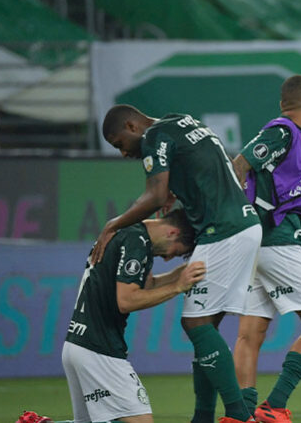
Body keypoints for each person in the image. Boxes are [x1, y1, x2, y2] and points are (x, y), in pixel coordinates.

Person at [97, 104, 263, 423]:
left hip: (223, 229)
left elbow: (155, 196)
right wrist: (180, 186)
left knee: (195, 323)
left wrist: (113, 225)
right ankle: (203, 417)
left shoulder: (154, 136)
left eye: (119, 144)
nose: (122, 153)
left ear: (132, 126)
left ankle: (240, 416)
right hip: (241, 224)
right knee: (204, 325)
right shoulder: (181, 121)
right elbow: (204, 164)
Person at [230, 75, 301, 423]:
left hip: (257, 246)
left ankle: (242, 414)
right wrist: (238, 216)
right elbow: (240, 165)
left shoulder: (290, 142)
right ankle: (274, 405)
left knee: (250, 335)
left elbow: (280, 196)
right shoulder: (284, 132)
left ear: (283, 102)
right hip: (278, 243)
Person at [62, 209, 205, 423]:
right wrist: (177, 286)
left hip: (77, 344)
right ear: (173, 233)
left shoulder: (129, 232)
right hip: (99, 348)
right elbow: (126, 300)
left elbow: (148, 285)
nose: (168, 259)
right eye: (175, 252)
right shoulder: (136, 241)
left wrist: (185, 273)